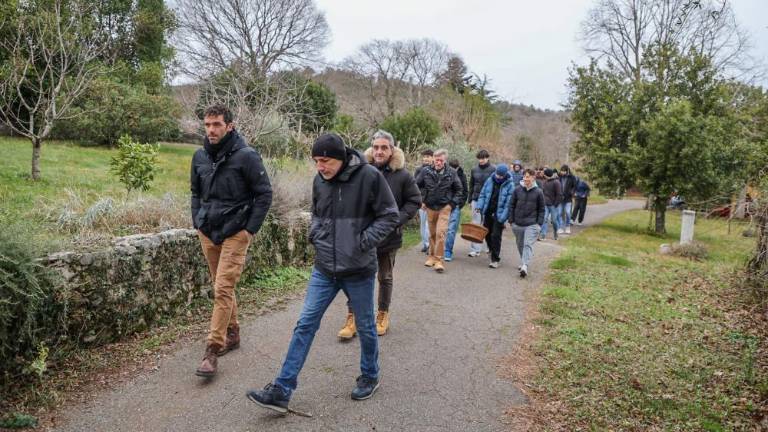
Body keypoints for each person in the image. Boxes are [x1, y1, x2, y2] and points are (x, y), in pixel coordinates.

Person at [247, 134, 399, 412]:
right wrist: (316, 234)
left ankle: (370, 375)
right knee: (305, 324)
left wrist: (362, 242)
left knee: (366, 326)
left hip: (359, 270)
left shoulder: (370, 177)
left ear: (341, 158)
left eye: (325, 161)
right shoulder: (319, 180)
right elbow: (316, 213)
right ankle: (282, 389)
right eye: (316, 161)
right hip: (324, 269)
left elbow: (390, 215)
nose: (320, 166)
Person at [191, 105, 273, 378]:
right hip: (208, 231)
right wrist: (197, 222)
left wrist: (249, 230)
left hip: (236, 232)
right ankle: (233, 332)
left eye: (216, 124)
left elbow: (264, 194)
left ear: (230, 126)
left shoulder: (247, 156)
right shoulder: (200, 156)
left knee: (223, 288)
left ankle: (212, 349)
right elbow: (195, 192)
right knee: (221, 286)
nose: (211, 130)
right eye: (207, 125)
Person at [337, 130, 421, 340]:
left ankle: (382, 315)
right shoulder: (360, 171)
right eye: (376, 147)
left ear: (392, 150)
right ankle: (353, 316)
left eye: (384, 147)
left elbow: (414, 201)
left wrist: (395, 220)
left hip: (388, 237)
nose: (379, 151)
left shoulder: (403, 175)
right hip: (363, 236)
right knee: (355, 276)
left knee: (384, 277)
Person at [415, 149, 463, 273]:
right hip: (430, 207)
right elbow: (416, 185)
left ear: (445, 160)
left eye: (441, 160)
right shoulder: (426, 171)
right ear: (433, 159)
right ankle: (431, 256)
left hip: (444, 208)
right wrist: (421, 200)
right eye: (436, 160)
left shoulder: (452, 172)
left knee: (440, 233)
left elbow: (459, 190)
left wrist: (451, 205)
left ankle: (439, 260)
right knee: (431, 234)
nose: (438, 162)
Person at [475, 164, 515, 268]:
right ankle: (491, 249)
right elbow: (483, 194)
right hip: (488, 210)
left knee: (496, 235)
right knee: (487, 233)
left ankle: (495, 259)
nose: (498, 177)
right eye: (497, 174)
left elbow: (509, 203)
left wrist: (503, 217)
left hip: (499, 213)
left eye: (501, 176)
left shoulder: (510, 184)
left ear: (505, 175)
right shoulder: (490, 180)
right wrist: (479, 206)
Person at [508, 168, 545, 278]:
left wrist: (539, 223)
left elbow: (542, 209)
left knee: (527, 244)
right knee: (520, 244)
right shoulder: (517, 190)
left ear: (533, 178)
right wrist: (511, 220)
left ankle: (525, 265)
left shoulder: (539, 192)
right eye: (524, 176)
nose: (525, 179)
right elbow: (511, 205)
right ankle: (524, 261)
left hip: (532, 224)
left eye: (528, 177)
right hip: (517, 223)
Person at [467, 150, 495, 257]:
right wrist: (470, 199)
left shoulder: (494, 169)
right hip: (476, 199)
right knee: (475, 223)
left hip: (489, 200)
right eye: (479, 158)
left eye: (483, 158)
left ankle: (489, 245)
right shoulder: (474, 169)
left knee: (488, 224)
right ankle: (475, 249)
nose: (481, 160)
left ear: (488, 158)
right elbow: (471, 185)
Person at [443, 158, 468, 262]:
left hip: (456, 205)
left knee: (451, 229)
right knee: (441, 228)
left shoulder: (462, 176)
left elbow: (465, 191)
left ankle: (448, 251)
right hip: (443, 204)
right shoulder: (444, 173)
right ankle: (436, 249)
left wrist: (460, 204)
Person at [415, 149, 434, 253]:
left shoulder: (435, 169)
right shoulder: (419, 170)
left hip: (432, 201)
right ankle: (425, 243)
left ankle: (429, 244)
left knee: (429, 224)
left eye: (428, 156)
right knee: (423, 223)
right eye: (425, 156)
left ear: (432, 158)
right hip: (422, 201)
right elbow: (415, 185)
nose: (426, 158)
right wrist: (421, 201)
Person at [540, 168, 562, 241]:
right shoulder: (544, 182)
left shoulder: (556, 182)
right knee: (544, 219)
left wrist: (556, 204)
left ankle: (555, 233)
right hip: (545, 204)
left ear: (547, 175)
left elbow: (559, 194)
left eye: (544, 174)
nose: (543, 175)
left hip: (553, 205)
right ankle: (543, 235)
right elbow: (543, 193)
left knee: (554, 221)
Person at [559, 164, 578, 235]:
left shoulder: (572, 177)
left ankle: (567, 226)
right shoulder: (559, 177)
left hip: (568, 198)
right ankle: (561, 227)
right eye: (561, 171)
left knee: (567, 212)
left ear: (567, 171)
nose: (562, 172)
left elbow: (575, 186)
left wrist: (571, 192)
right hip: (560, 198)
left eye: (563, 171)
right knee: (560, 213)